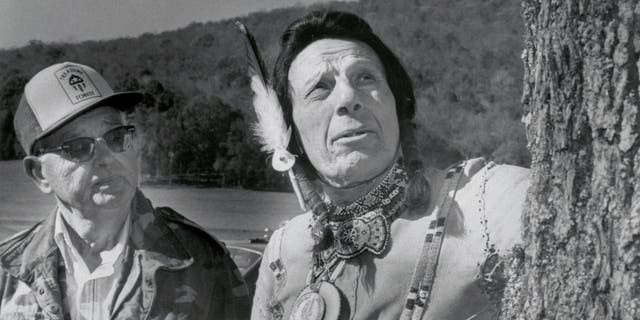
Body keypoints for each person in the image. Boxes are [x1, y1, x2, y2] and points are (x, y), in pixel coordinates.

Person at [251, 11, 529, 320]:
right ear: (291, 137)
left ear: (397, 107)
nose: (348, 97)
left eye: (365, 77)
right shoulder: (283, 252)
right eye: (320, 88)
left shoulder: (487, 204)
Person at [0, 62, 251, 320]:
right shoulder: (7, 274)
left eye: (116, 137)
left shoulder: (201, 259)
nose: (105, 157)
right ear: (39, 174)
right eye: (77, 146)